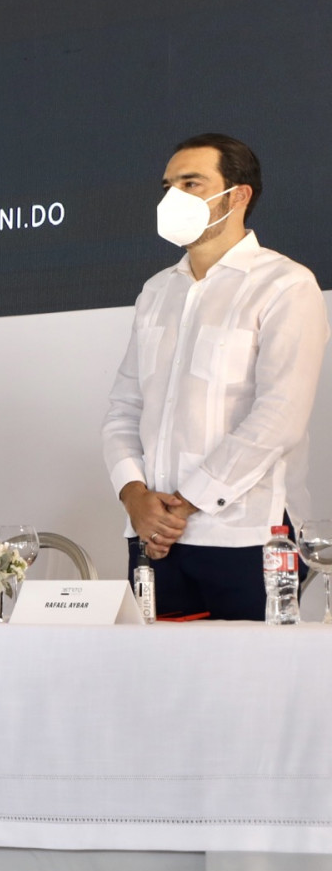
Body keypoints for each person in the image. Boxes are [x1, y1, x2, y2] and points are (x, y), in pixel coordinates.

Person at [102, 134, 329, 621]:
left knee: (251, 669)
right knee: (155, 669)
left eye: (191, 183)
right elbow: (124, 410)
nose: (173, 198)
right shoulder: (156, 291)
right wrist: (134, 496)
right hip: (153, 538)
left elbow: (280, 416)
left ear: (238, 194)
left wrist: (185, 504)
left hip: (247, 534)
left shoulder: (285, 284)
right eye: (168, 186)